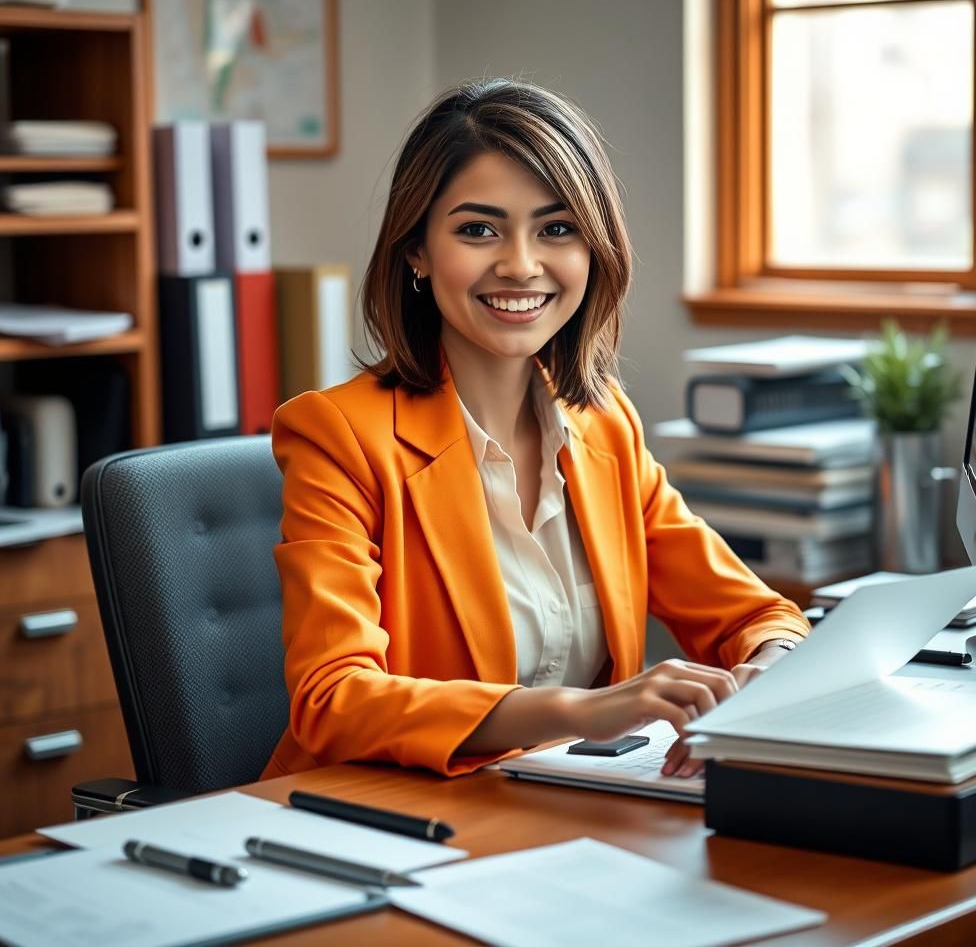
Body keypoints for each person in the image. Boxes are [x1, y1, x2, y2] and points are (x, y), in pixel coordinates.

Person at [262, 78, 810, 782]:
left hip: (550, 814)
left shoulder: (605, 426)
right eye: (477, 229)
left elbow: (755, 616)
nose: (521, 264)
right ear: (417, 252)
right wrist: (581, 711)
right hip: (378, 819)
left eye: (556, 229)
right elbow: (333, 700)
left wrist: (767, 671)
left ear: (594, 250)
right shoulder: (338, 435)